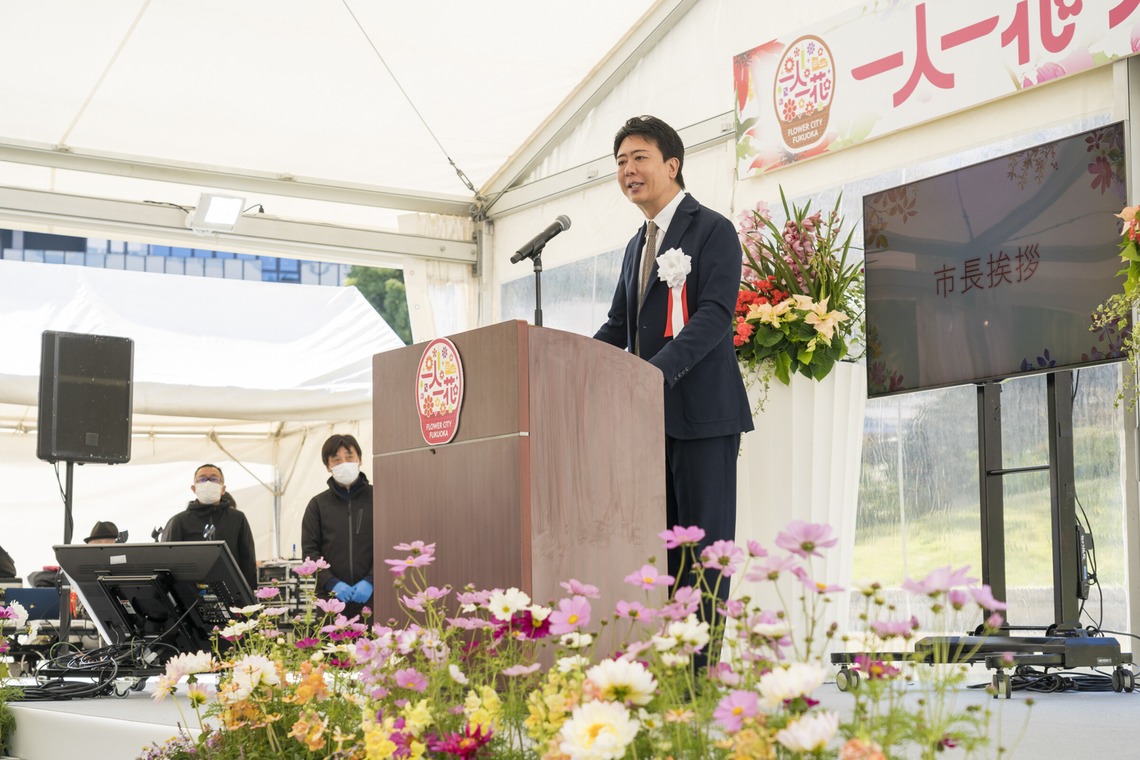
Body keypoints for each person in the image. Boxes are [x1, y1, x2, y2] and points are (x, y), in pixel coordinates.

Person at [594, 115, 754, 665]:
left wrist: (652, 373)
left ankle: (701, 674)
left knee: (706, 553)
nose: (627, 171)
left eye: (638, 158)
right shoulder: (636, 246)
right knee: (664, 552)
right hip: (649, 424)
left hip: (704, 416)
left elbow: (713, 317)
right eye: (619, 162)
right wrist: (567, 367)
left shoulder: (712, 229)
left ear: (672, 164)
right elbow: (618, 327)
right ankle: (672, 669)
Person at [301, 433, 374, 617]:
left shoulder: (378, 497)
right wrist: (332, 583)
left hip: (373, 598)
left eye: (349, 457)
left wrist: (372, 579)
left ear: (360, 460)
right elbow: (310, 552)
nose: (344, 463)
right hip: (330, 600)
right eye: (336, 459)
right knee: (332, 645)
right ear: (328, 466)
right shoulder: (317, 504)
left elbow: (389, 543)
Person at [163, 464, 258, 589]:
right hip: (190, 595)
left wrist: (249, 595)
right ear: (194, 488)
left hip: (231, 592)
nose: (208, 483)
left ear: (223, 488)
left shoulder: (237, 518)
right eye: (202, 479)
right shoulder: (179, 521)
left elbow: (247, 560)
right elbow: (167, 561)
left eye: (214, 479)